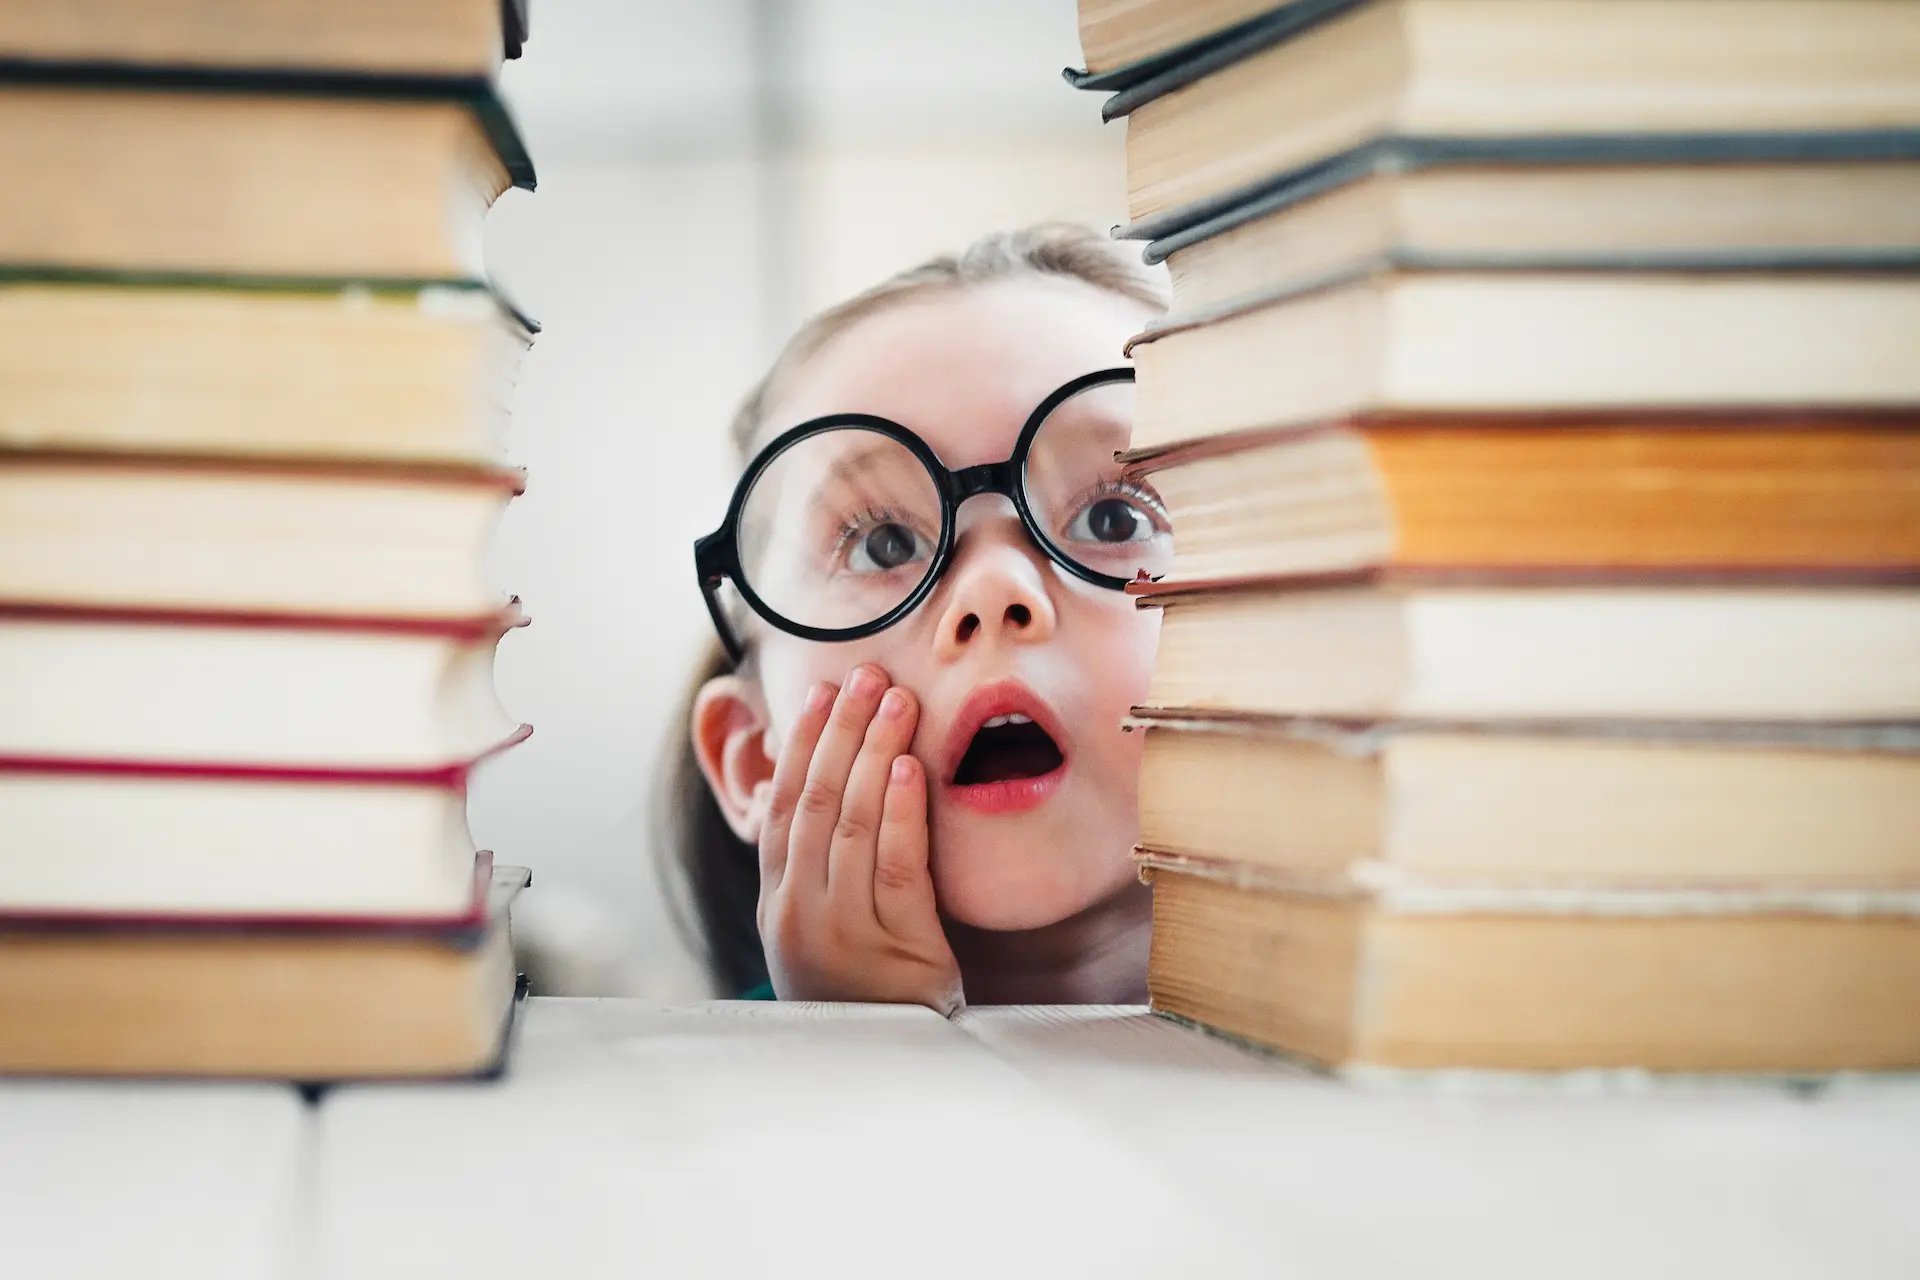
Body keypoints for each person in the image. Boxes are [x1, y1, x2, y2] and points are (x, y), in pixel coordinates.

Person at [662, 223, 1170, 1012]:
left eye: (1115, 519)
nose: (995, 589)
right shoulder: (693, 1106)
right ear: (755, 759)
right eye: (882, 542)